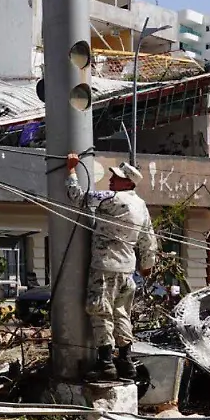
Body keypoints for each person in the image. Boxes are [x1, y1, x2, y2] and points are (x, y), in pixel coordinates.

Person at [65, 153, 158, 382]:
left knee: (100, 311)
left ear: (127, 183)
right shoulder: (141, 205)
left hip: (105, 267)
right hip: (127, 270)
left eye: (115, 178)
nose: (110, 180)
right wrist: (147, 265)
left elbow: (77, 196)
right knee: (122, 314)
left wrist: (71, 171)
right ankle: (126, 362)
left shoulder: (111, 198)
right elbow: (149, 239)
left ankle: (105, 363)